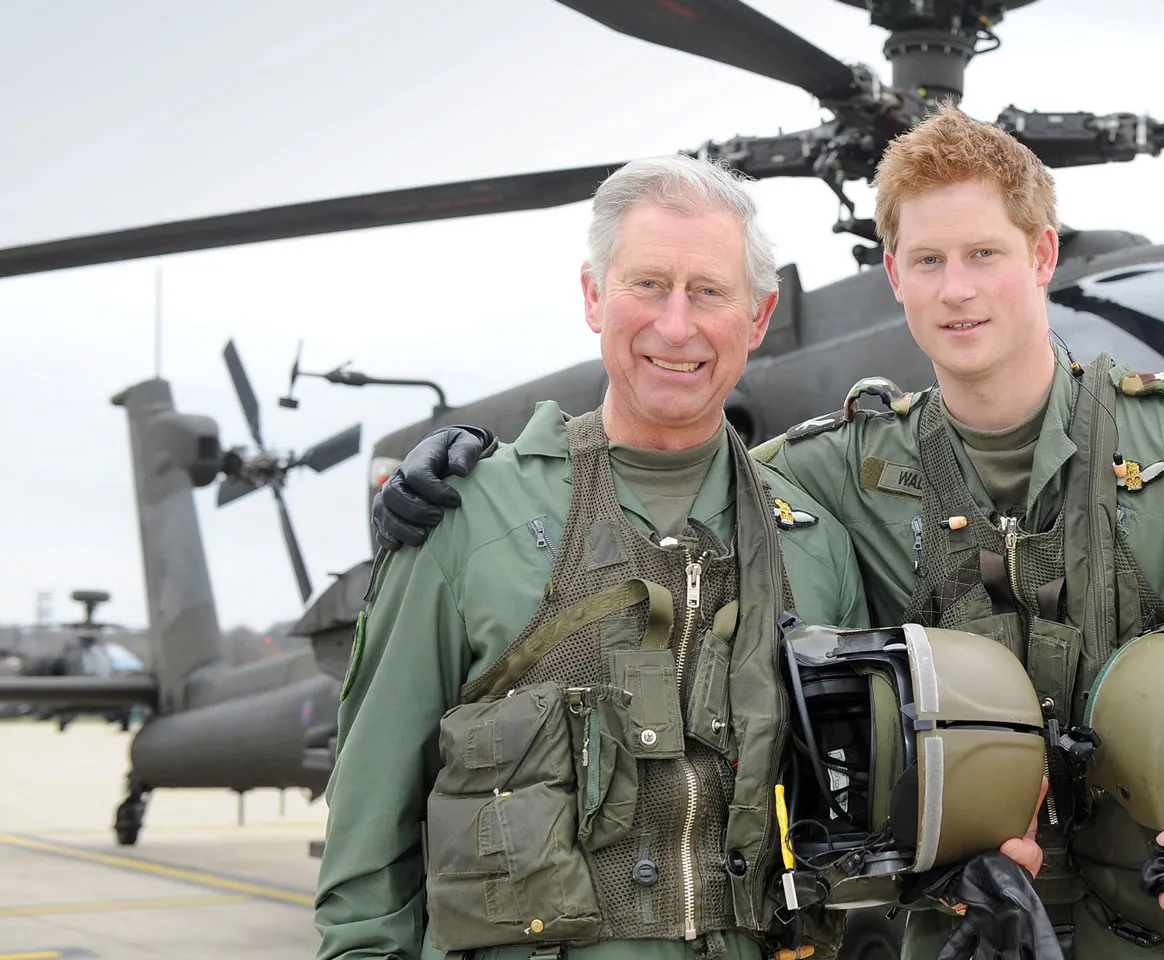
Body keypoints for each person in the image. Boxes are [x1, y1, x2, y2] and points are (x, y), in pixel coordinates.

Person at [375, 106, 1164, 958]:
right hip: (946, 939)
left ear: (1043, 256)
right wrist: (471, 467)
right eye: (927, 262)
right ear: (892, 275)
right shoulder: (833, 472)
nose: (957, 290)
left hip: (1160, 935)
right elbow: (665, 474)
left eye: (984, 255)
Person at [315, 154, 871, 960]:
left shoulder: (813, 545)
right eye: (647, 284)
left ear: (758, 316)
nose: (676, 326)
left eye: (710, 292)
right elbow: (369, 835)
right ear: (592, 296)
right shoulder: (468, 521)